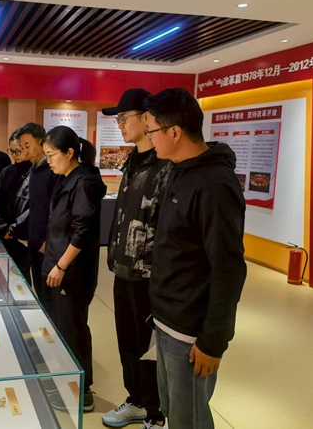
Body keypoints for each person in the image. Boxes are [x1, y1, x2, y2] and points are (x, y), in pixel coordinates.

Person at [143, 88, 247, 429]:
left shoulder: (215, 185)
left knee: (188, 417)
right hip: (166, 317)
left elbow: (228, 268)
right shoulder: (177, 170)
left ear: (174, 132)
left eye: (151, 131)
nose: (149, 139)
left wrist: (213, 340)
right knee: (173, 409)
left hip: (190, 329)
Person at [101, 89, 168, 429]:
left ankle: (156, 414)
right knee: (127, 341)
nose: (120, 125)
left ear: (146, 118)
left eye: (123, 118)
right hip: (124, 268)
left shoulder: (165, 164)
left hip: (149, 274)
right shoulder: (132, 161)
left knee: (148, 346)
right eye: (118, 119)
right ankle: (136, 400)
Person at [41, 126, 106, 413]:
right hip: (58, 265)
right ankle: (67, 380)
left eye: (51, 155)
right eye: (46, 155)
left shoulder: (84, 183)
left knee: (74, 328)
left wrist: (61, 265)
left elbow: (83, 230)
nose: (48, 161)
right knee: (63, 327)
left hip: (72, 272)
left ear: (70, 153)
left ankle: (83, 392)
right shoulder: (66, 178)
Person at [18, 123, 59, 310]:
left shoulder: (53, 170)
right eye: (22, 147)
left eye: (28, 146)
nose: (25, 152)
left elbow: (56, 209)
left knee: (49, 294)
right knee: (39, 290)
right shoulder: (34, 169)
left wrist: (47, 240)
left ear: (42, 142)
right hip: (34, 240)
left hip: (47, 243)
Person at [0, 129, 32, 284]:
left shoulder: (34, 172)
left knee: (24, 273)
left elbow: (33, 208)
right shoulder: (6, 172)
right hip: (6, 232)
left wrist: (15, 230)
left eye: (18, 151)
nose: (15, 155)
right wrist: (3, 228)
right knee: (6, 274)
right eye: (11, 151)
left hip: (24, 234)